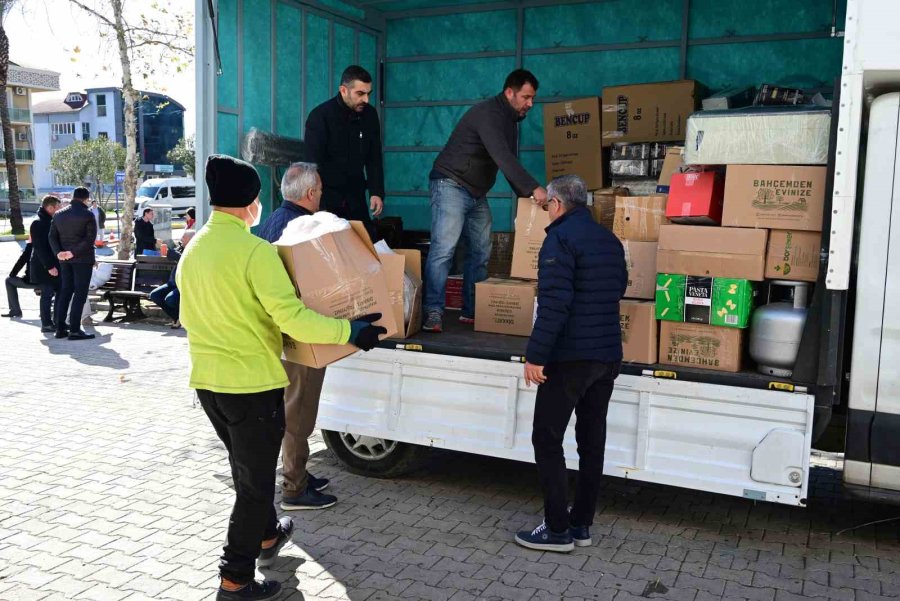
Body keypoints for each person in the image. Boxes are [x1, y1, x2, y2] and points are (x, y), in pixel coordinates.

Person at [177, 154, 386, 600]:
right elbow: (294, 319)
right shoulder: (255, 252)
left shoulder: (194, 247)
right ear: (251, 201)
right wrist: (351, 330)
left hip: (208, 383)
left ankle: (269, 535)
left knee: (248, 471)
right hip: (251, 386)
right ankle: (235, 579)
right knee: (252, 489)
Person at [514, 175, 626, 554]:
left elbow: (554, 303)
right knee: (591, 441)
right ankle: (581, 524)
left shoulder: (559, 239)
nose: (546, 212)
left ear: (558, 204)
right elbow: (618, 289)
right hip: (607, 355)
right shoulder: (609, 240)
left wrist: (535, 356)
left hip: (570, 357)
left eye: (546, 206)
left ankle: (557, 530)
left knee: (546, 438)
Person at [423, 69, 549, 333]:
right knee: (444, 250)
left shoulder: (511, 121)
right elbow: (503, 158)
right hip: (450, 184)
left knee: (481, 250)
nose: (530, 104)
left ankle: (473, 311)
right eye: (526, 97)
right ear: (509, 93)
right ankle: (433, 311)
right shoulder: (488, 115)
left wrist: (528, 198)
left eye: (533, 98)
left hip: (475, 192)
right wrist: (534, 189)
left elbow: (509, 163)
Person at [258, 162, 337, 510]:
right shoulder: (303, 227)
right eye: (319, 189)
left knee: (289, 408)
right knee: (298, 413)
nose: (321, 194)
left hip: (279, 331)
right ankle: (294, 488)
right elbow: (314, 284)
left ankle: (297, 472)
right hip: (299, 331)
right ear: (309, 194)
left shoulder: (274, 220)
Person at [305, 65, 384, 241]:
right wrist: (317, 203)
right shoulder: (320, 117)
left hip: (356, 194)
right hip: (328, 195)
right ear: (343, 90)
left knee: (365, 242)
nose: (366, 99)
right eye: (360, 94)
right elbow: (312, 165)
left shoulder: (369, 115)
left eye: (368, 93)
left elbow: (374, 156)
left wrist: (376, 191)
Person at [50, 186, 98, 341]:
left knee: (65, 291)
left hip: (64, 260)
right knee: (80, 293)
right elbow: (89, 239)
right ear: (86, 198)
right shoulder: (88, 215)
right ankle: (75, 330)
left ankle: (60, 328)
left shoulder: (58, 214)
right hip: (82, 260)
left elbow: (52, 237)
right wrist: (73, 252)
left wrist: (59, 252)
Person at [148, 229, 195, 328]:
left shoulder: (194, 250)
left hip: (183, 285)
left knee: (170, 299)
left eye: (184, 237)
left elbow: (188, 262)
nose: (181, 239)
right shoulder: (181, 248)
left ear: (190, 239)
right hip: (172, 282)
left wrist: (176, 255)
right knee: (154, 295)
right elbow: (174, 256)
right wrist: (168, 252)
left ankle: (181, 319)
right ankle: (177, 317)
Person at [30, 195, 62, 332]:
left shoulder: (51, 220)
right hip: (43, 267)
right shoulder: (38, 223)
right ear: (50, 207)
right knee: (47, 294)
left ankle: (58, 321)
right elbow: (39, 248)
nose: (59, 210)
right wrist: (49, 266)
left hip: (55, 265)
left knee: (60, 292)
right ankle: (46, 323)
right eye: (58, 208)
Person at [2, 243, 37, 319]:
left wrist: (12, 274)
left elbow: (21, 261)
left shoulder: (31, 246)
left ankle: (15, 310)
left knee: (9, 280)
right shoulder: (53, 243)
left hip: (33, 282)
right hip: (50, 282)